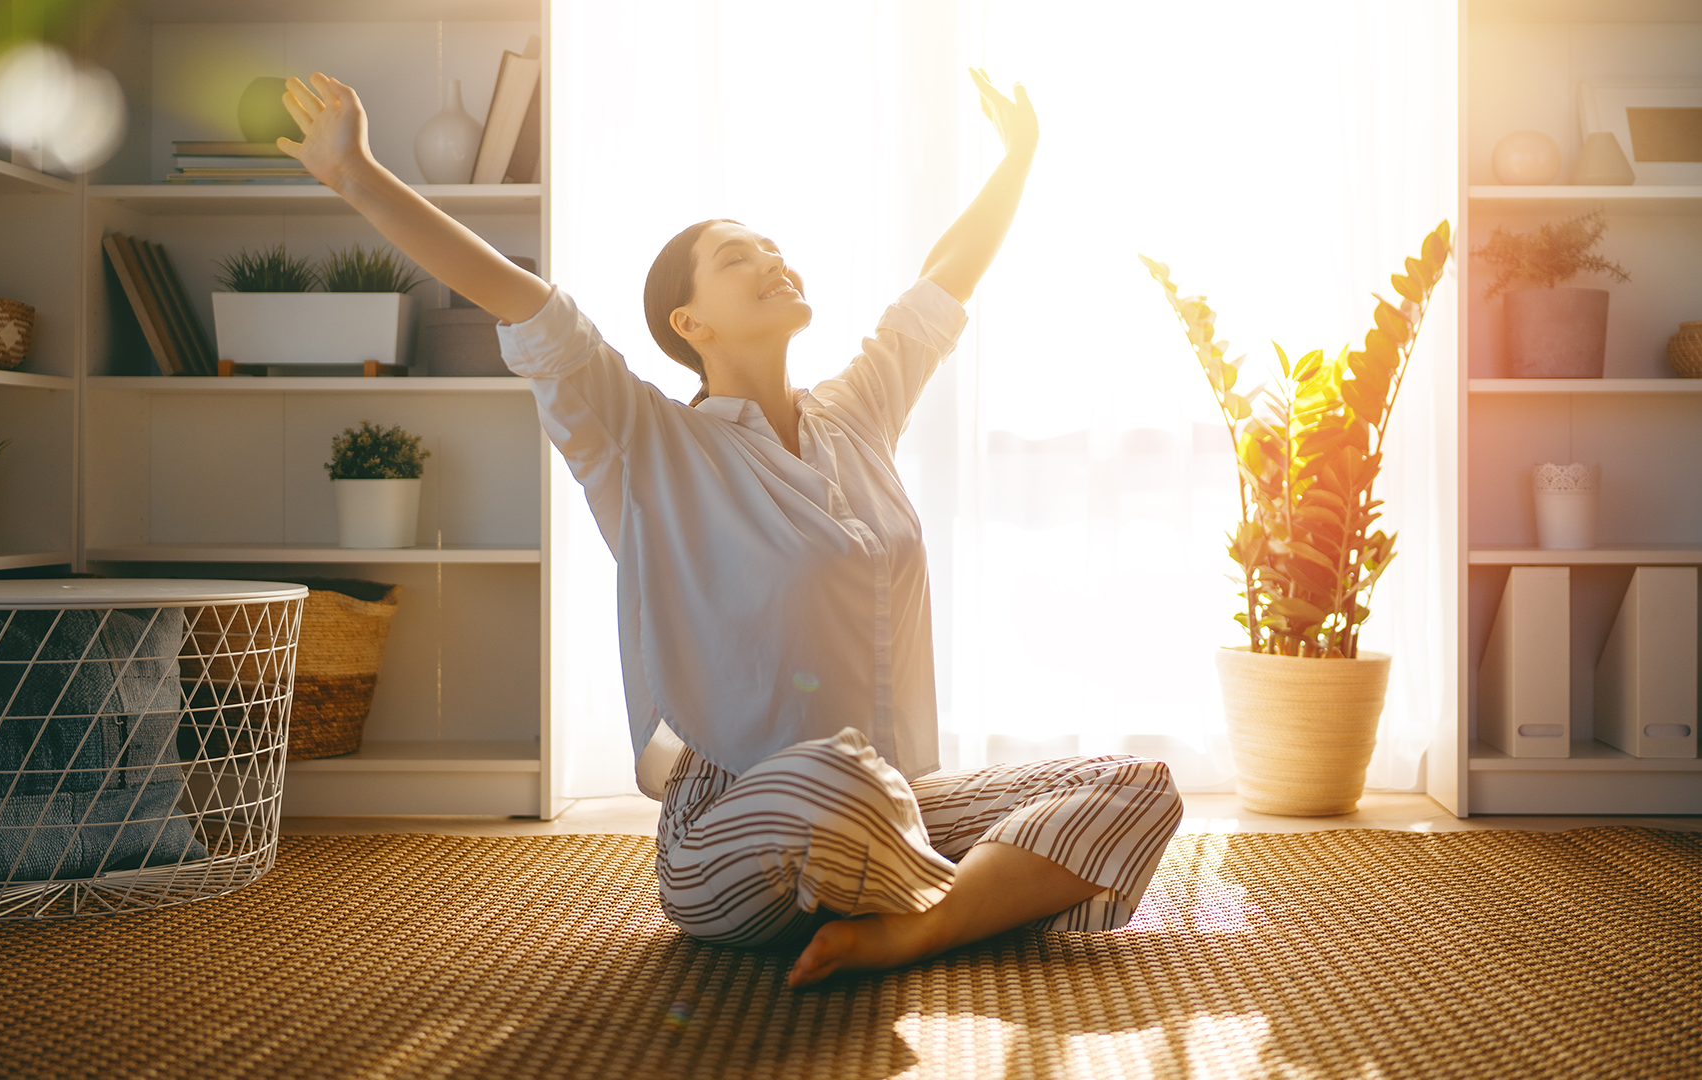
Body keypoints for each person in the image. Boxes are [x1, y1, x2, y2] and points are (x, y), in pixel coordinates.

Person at [277, 68, 1182, 989]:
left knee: (1139, 785)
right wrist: (357, 174)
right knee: (841, 777)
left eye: (777, 248)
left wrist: (1019, 159)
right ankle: (971, 894)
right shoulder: (643, 443)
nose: (772, 261)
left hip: (896, 802)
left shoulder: (857, 417)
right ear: (688, 321)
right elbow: (521, 301)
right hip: (737, 822)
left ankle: (914, 928)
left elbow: (938, 287)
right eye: (740, 257)